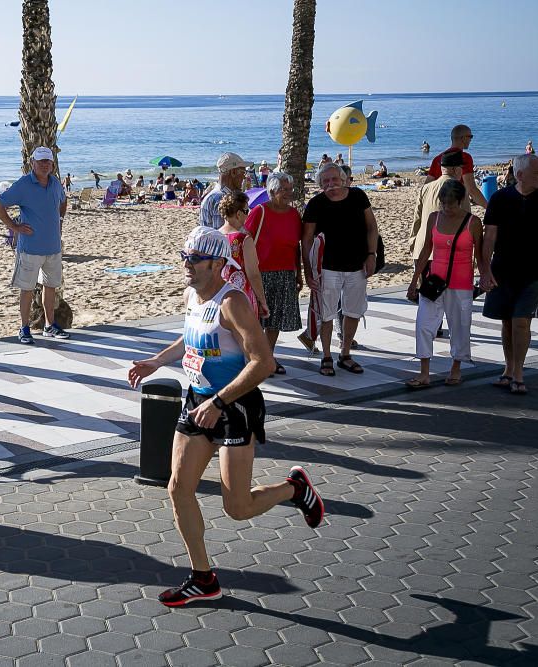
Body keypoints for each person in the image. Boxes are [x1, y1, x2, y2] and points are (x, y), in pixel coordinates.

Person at [128, 226, 324, 607]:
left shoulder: (232, 302)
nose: (187, 264)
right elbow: (191, 336)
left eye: (196, 259)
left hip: (233, 408)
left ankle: (295, 489)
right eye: (184, 256)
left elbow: (263, 362)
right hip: (196, 401)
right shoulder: (192, 294)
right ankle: (203, 577)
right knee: (177, 488)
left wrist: (218, 402)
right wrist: (157, 361)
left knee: (237, 508)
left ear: (219, 263)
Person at [302, 162, 379, 376]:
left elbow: (372, 227)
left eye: (334, 179)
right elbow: (306, 239)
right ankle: (326, 356)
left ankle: (345, 354)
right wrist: (308, 271)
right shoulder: (316, 203)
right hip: (327, 268)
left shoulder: (358, 196)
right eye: (325, 181)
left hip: (357, 265)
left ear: (343, 179)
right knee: (326, 314)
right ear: (319, 183)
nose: (331, 184)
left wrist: (372, 255)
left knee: (353, 311)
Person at [480, 154, 538, 396]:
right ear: (520, 175)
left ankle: (518, 373)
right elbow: (489, 237)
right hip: (503, 269)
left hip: (536, 270)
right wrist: (484, 269)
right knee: (507, 322)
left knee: (521, 321)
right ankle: (508, 369)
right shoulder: (500, 198)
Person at [406, 180, 482, 389]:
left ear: (461, 201)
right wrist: (414, 281)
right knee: (424, 324)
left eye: (451, 204)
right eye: (443, 203)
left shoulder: (473, 222)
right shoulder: (434, 218)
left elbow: (481, 256)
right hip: (434, 282)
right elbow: (424, 252)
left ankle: (456, 368)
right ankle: (424, 373)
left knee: (459, 327)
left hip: (461, 284)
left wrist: (485, 276)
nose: (447, 208)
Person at [0, 146, 70, 344]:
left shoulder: (54, 183)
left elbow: (63, 201)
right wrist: (13, 226)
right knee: (26, 289)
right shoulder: (24, 184)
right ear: (32, 163)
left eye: (48, 162)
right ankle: (24, 327)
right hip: (30, 248)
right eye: (41, 161)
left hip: (53, 247)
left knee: (50, 287)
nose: (45, 165)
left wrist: (60, 220)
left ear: (53, 164)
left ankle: (49, 326)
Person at [246, 172, 303, 374]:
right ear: (271, 191)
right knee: (256, 320)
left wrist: (298, 273)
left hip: (286, 273)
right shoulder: (259, 212)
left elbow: (296, 246)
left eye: (290, 189)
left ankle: (268, 358)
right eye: (284, 190)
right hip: (260, 274)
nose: (289, 193)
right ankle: (255, 359)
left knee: (275, 319)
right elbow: (244, 241)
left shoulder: (294, 214)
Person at [409, 149, 471, 260]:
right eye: (461, 168)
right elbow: (466, 221)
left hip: (422, 248)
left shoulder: (426, 188)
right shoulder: (459, 189)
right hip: (444, 251)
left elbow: (417, 219)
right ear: (455, 169)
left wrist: (412, 242)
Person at [216, 191, 268, 319]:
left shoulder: (214, 236)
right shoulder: (243, 239)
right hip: (241, 295)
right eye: (246, 211)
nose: (247, 215)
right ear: (238, 214)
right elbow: (253, 274)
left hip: (218, 295)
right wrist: (262, 300)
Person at [425, 124, 487, 209]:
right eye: (470, 136)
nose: (471, 140)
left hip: (440, 205)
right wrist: (488, 207)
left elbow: (427, 185)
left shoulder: (437, 159)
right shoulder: (465, 157)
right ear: (463, 138)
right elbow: (471, 189)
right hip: (456, 206)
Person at [199, 152, 250, 229]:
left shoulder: (216, 194)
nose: (244, 177)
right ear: (233, 172)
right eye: (243, 172)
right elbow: (224, 236)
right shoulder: (221, 198)